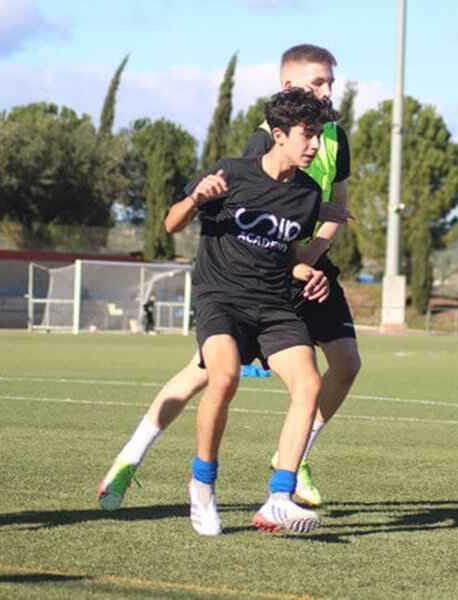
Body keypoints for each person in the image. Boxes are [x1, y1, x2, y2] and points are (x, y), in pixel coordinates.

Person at [98, 44, 359, 512]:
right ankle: (131, 456)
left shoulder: (333, 135)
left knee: (344, 364)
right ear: (290, 89)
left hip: (304, 263)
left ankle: (292, 459)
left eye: (330, 82)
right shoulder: (263, 146)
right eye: (318, 82)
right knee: (207, 374)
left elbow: (334, 207)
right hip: (261, 275)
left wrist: (314, 258)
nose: (328, 90)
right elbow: (250, 223)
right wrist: (296, 265)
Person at [165, 88, 336, 535]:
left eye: (318, 135)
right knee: (223, 377)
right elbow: (170, 224)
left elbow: (286, 253)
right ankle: (202, 487)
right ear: (279, 135)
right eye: (307, 135)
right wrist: (196, 199)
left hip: (275, 303)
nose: (315, 145)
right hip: (220, 298)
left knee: (310, 382)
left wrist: (305, 272)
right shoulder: (230, 172)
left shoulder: (307, 193)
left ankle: (279, 497)